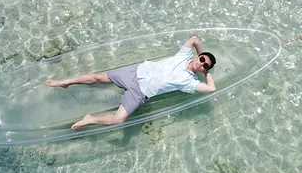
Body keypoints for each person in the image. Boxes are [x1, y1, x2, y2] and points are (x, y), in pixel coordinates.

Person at [46, 34, 216, 130]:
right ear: (197, 56)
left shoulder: (190, 82)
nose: (201, 63)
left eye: (205, 65)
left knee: (119, 120)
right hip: (135, 72)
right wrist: (204, 53)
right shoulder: (184, 55)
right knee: (98, 78)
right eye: (202, 59)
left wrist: (207, 73)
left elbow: (211, 89)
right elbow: (195, 39)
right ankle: (65, 82)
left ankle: (90, 118)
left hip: (140, 93)